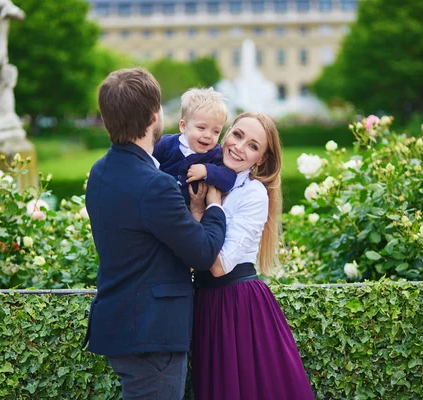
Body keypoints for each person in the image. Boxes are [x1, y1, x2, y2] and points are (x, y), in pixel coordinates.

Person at [83, 68, 227, 399]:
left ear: (107, 120)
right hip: (151, 332)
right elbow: (203, 252)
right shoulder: (154, 184)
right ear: (154, 117)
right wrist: (214, 205)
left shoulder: (101, 170)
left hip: (122, 324)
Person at [190, 112, 316, 399]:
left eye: (253, 145)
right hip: (206, 303)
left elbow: (219, 265)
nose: (239, 146)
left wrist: (207, 208)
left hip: (238, 307)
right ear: (226, 134)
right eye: (237, 135)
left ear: (260, 159)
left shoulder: (253, 193)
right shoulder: (201, 175)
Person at [153, 88, 236, 205]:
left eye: (216, 131)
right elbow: (146, 160)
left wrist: (207, 170)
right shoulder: (167, 144)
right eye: (201, 128)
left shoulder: (215, 154)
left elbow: (229, 178)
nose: (208, 135)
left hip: (188, 214)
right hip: (158, 202)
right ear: (183, 126)